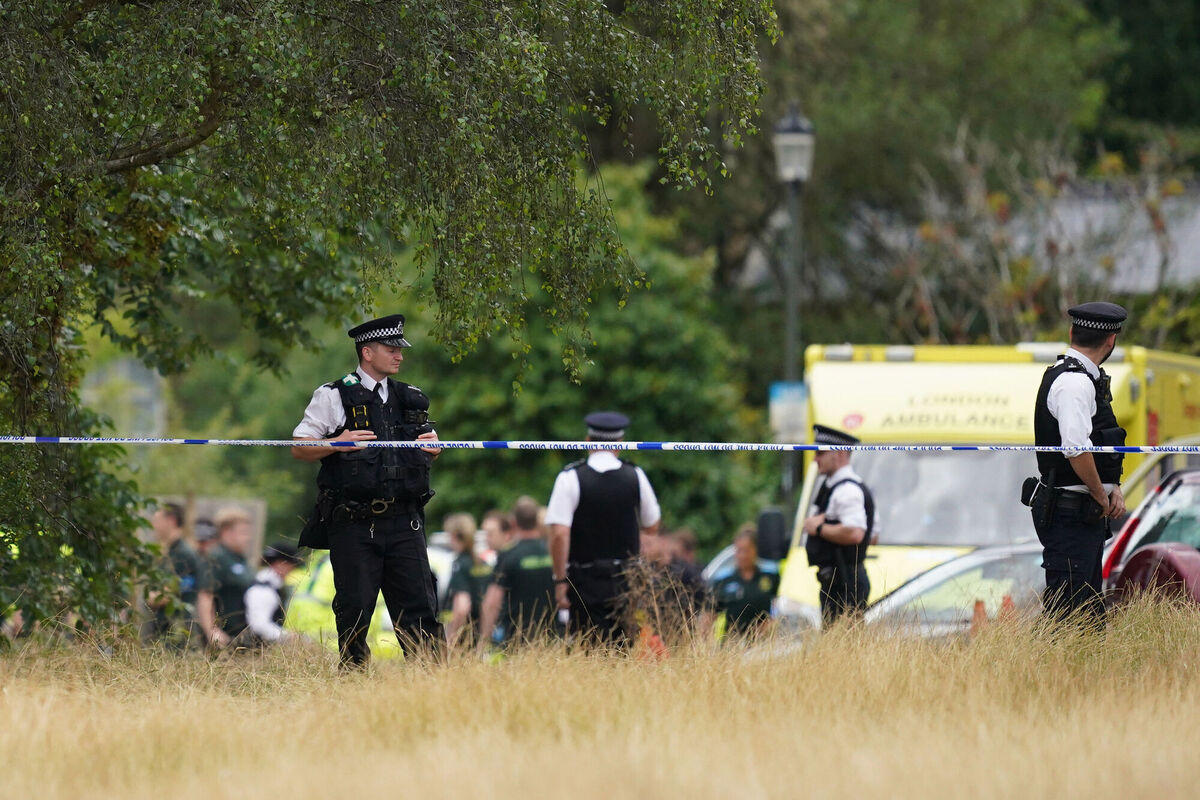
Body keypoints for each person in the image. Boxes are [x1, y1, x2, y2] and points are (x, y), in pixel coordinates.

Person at [292, 313, 444, 668]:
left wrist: (434, 450)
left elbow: (415, 456)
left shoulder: (411, 398)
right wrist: (336, 443)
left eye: (400, 349)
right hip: (355, 524)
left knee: (421, 610)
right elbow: (299, 447)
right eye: (391, 349)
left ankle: (435, 685)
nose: (400, 356)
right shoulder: (333, 396)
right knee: (354, 611)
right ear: (367, 352)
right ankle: (354, 680)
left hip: (406, 522)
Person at [1031, 302, 1128, 623]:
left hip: (1080, 511)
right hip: (1070, 510)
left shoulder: (1084, 379)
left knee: (1085, 609)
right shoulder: (1075, 383)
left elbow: (1101, 444)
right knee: (1072, 613)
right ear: (1111, 340)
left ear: (1072, 332)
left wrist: (1113, 489)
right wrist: (1101, 493)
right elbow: (1075, 449)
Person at [547, 411, 661, 646]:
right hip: (625, 580)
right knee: (622, 649)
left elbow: (559, 533)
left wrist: (560, 581)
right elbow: (652, 524)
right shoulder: (635, 476)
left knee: (588, 647)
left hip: (584, 580)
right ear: (620, 444)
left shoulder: (570, 477)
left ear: (588, 441)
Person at [801, 424, 875, 625]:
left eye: (821, 453)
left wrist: (819, 528)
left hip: (844, 582)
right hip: (838, 579)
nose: (816, 458)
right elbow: (874, 534)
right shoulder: (837, 487)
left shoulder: (847, 490)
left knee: (843, 644)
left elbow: (855, 534)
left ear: (840, 453)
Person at [478, 495, 556, 652]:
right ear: (536, 519)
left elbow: (492, 603)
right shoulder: (552, 551)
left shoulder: (508, 555)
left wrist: (483, 641)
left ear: (513, 522)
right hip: (552, 639)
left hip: (517, 640)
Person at [145, 503, 219, 649]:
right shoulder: (169, 552)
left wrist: (147, 598)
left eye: (157, 520)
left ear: (171, 521)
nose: (154, 525)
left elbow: (168, 595)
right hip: (165, 629)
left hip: (178, 631)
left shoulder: (183, 554)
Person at [712, 525, 779, 637]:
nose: (742, 556)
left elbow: (780, 606)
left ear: (756, 550)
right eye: (739, 551)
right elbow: (710, 614)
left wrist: (772, 623)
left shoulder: (770, 575)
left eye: (746, 550)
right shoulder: (724, 580)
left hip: (763, 644)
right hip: (732, 644)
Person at [241, 541, 306, 647]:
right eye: (293, 566)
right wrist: (290, 637)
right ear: (282, 564)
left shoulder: (271, 586)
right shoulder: (263, 590)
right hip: (253, 654)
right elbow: (259, 625)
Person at [444, 512, 491, 647]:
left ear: (453, 535)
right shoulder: (483, 564)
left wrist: (451, 639)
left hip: (464, 638)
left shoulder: (460, 565)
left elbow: (462, 607)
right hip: (482, 633)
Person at [209, 507, 256, 642]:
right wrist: (213, 631)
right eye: (243, 532)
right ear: (226, 532)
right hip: (223, 638)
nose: (248, 538)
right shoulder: (217, 557)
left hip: (242, 637)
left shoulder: (241, 558)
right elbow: (205, 597)